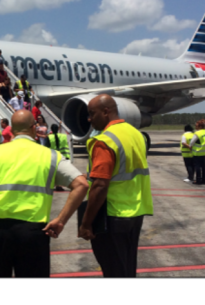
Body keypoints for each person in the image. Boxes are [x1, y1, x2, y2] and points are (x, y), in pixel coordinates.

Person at [0, 110, 89, 277]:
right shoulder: (50, 156)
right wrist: (61, 220)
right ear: (33, 128)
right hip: (33, 232)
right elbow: (81, 184)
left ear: (12, 129)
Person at [79, 94, 153, 277]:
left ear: (105, 112)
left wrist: (86, 223)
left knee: (114, 272)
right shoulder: (136, 134)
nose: (89, 118)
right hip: (136, 212)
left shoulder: (105, 141)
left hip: (112, 216)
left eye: (92, 113)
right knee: (127, 268)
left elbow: (100, 185)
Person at [189, 119, 205, 185]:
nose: (195, 127)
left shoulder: (197, 133)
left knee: (197, 166)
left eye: (196, 126)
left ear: (200, 126)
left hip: (197, 152)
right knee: (203, 166)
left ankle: (198, 180)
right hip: (204, 151)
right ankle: (204, 179)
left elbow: (191, 142)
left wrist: (190, 146)